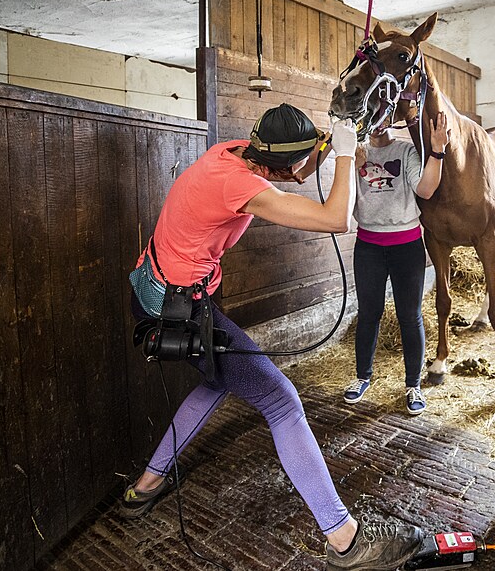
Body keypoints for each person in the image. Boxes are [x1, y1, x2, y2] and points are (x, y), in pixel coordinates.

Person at [122, 103, 423, 570]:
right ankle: (346, 540)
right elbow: (333, 219)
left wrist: (326, 144)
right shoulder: (243, 186)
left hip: (160, 288)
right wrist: (344, 156)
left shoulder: (233, 151)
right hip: (175, 308)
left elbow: (291, 174)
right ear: (284, 162)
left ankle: (145, 486)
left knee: (219, 379)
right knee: (281, 400)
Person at [343, 112, 450, 415]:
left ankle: (413, 385)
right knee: (368, 313)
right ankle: (362, 376)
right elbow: (346, 197)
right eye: (370, 115)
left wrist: (437, 150)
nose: (376, 121)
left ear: (390, 118)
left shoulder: (405, 151)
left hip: (406, 245)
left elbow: (426, 189)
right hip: (369, 246)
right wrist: (348, 159)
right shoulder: (356, 150)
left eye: (381, 115)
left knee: (409, 315)